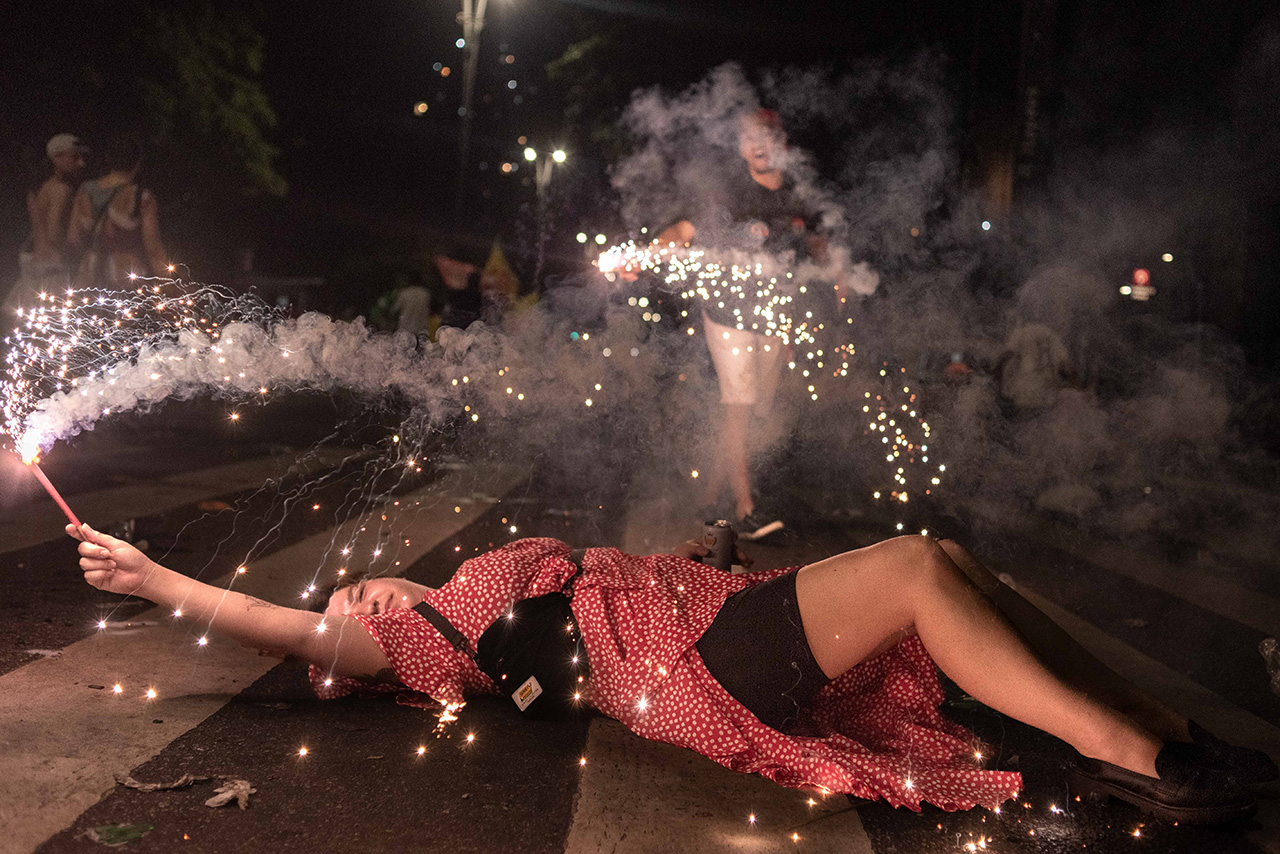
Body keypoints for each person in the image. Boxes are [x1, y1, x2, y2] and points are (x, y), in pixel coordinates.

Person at [69, 519, 1273, 824]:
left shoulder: (468, 597)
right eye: (343, 606)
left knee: (941, 555)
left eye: (358, 588)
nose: (359, 593)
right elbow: (273, 622)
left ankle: (1139, 714)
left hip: (712, 615)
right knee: (913, 566)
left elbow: (605, 585)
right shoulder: (420, 639)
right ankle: (1123, 750)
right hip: (694, 663)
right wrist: (157, 580)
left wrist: (693, 558)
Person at [652, 109, 834, 540]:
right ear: (739, 146)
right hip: (726, 313)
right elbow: (684, 228)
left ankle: (708, 498)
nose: (756, 144)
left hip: (774, 317)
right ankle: (745, 508)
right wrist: (658, 246)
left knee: (757, 408)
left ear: (781, 142)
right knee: (740, 403)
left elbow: (815, 248)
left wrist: (836, 272)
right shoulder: (730, 191)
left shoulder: (797, 194)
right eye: (747, 137)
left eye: (765, 135)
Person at [67, 132, 169, 289]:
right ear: (138, 162)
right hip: (126, 277)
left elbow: (73, 238)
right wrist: (171, 286)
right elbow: (153, 249)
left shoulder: (85, 190)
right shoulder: (141, 196)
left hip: (89, 276)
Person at [24, 133, 89, 282]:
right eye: (74, 158)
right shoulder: (62, 190)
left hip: (35, 260)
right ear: (56, 157)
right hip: (54, 266)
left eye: (82, 158)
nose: (81, 163)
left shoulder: (40, 188)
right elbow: (54, 234)